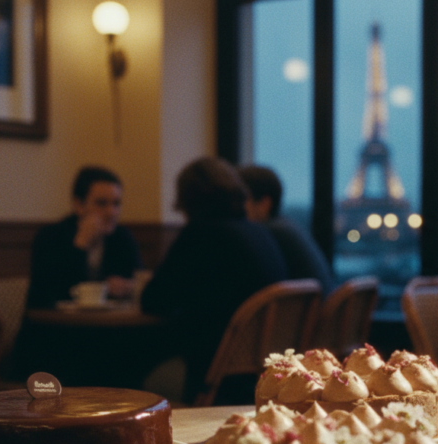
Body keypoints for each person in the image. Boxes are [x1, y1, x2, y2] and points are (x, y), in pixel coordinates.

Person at [141, 157, 288, 403]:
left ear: (186, 199)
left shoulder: (199, 235)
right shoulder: (259, 233)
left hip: (213, 379)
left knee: (129, 370)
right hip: (259, 376)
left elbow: (153, 301)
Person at [25, 166, 142, 309]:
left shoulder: (122, 237)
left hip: (104, 325)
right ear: (79, 205)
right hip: (55, 325)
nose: (111, 212)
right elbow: (45, 295)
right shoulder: (50, 237)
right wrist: (80, 245)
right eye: (102, 203)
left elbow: (138, 278)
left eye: (116, 203)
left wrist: (129, 287)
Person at [239, 165, 335, 294]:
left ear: (264, 204)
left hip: (310, 313)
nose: (238, 208)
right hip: (317, 311)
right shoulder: (286, 228)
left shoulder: (268, 234)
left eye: (242, 200)